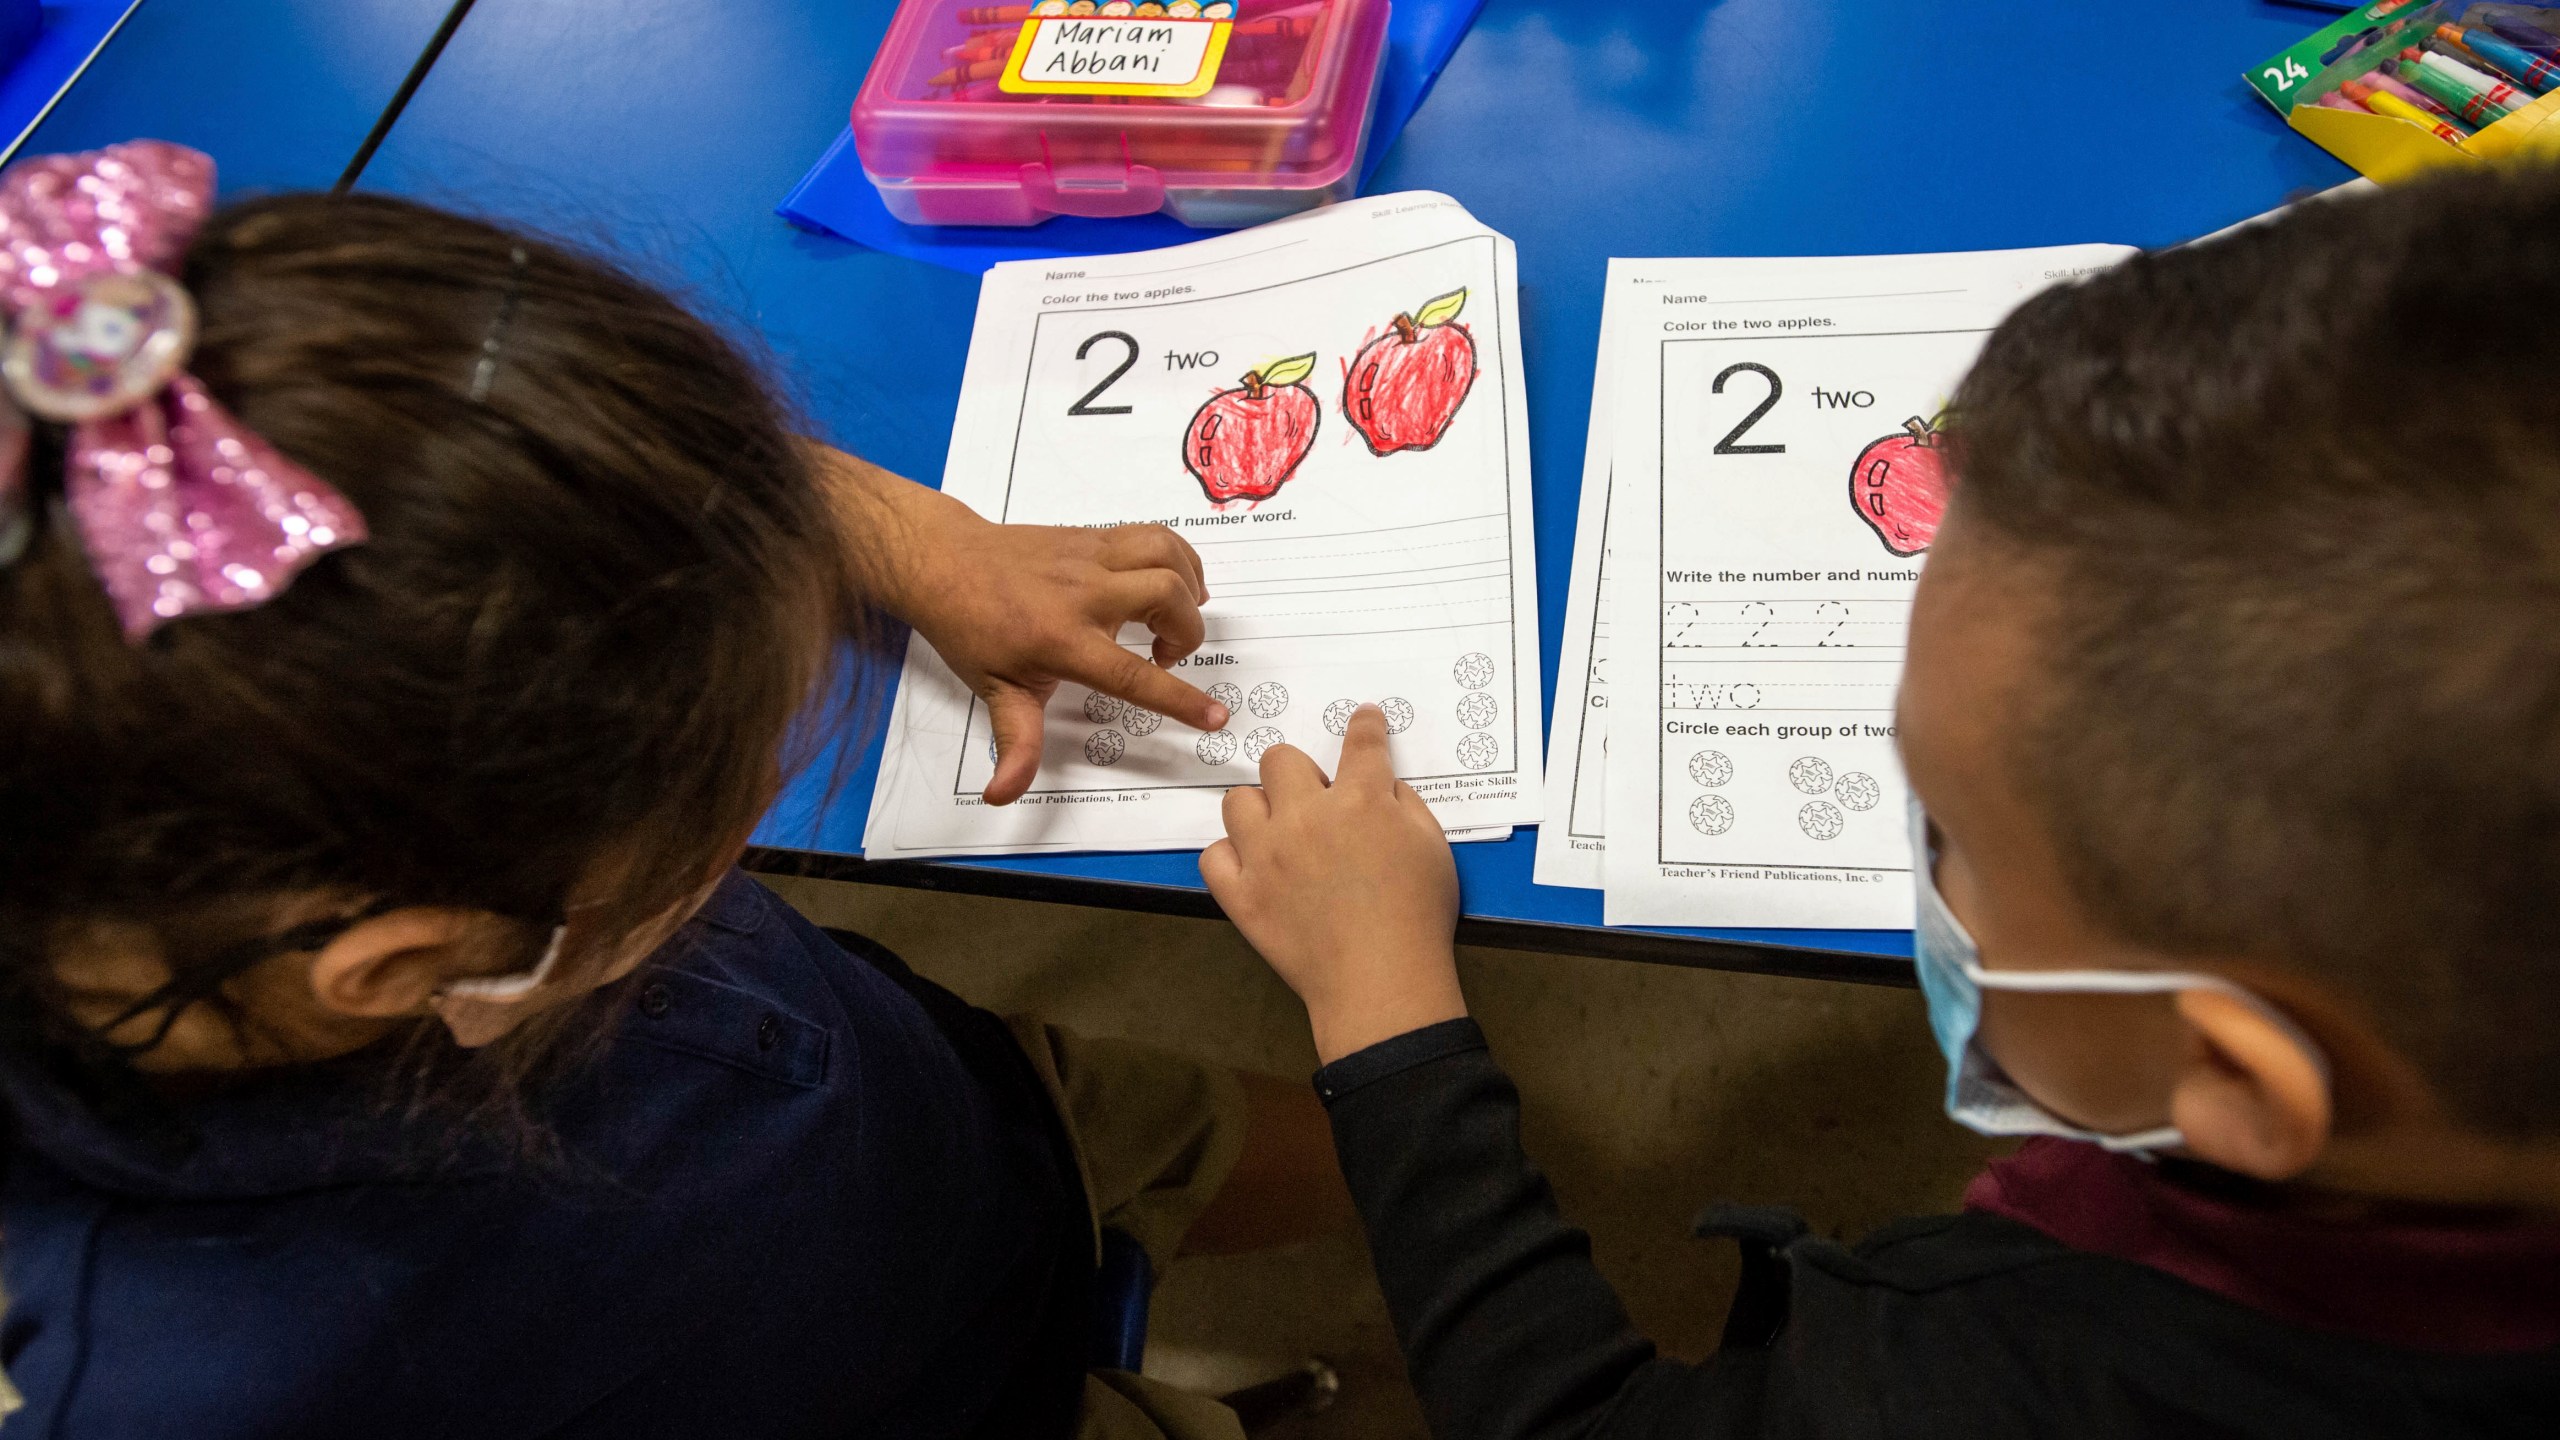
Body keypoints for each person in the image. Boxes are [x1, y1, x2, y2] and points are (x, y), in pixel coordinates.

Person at [0, 139, 1338, 1439]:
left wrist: (903, 532)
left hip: (966, 1116)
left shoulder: (282, 755)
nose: (757, 783)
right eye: (727, 796)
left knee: (1284, 1143)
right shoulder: (226, 1386)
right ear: (404, 961)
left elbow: (496, 495)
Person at [1203, 164, 2560, 1436]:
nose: (1928, 859)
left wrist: (1381, 1002)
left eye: (1952, 832)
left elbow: (1565, 1416)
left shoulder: (1984, 1387)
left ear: (2237, 1083)